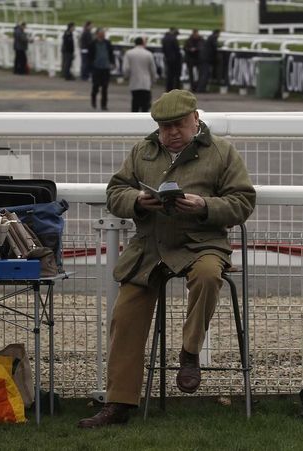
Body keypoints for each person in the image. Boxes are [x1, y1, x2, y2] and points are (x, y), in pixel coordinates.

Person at [77, 89, 256, 428]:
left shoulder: (221, 153)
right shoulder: (142, 152)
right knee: (126, 313)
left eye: (179, 125)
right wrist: (138, 201)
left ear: (196, 120)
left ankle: (189, 353)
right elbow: (115, 193)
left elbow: (243, 202)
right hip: (149, 248)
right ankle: (119, 403)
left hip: (202, 243)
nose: (172, 132)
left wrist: (204, 206)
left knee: (207, 276)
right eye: (165, 127)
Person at [122, 37, 157, 112]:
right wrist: (153, 80)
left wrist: (126, 77)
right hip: (146, 83)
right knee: (145, 105)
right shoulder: (148, 54)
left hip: (134, 82)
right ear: (142, 43)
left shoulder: (129, 53)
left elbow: (126, 68)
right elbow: (153, 69)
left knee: (135, 103)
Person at [87, 28, 115, 110]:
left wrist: (112, 63)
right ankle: (93, 100)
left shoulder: (107, 43)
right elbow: (89, 56)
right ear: (97, 34)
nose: (103, 35)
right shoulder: (92, 44)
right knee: (96, 86)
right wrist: (91, 66)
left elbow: (111, 54)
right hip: (96, 68)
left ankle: (104, 105)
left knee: (105, 87)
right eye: (101, 33)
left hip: (105, 67)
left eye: (103, 33)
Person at [162, 27, 182, 92]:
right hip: (175, 60)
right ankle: (176, 88)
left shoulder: (164, 38)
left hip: (168, 58)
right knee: (176, 75)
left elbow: (164, 49)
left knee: (169, 74)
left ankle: (169, 88)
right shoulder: (173, 39)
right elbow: (177, 50)